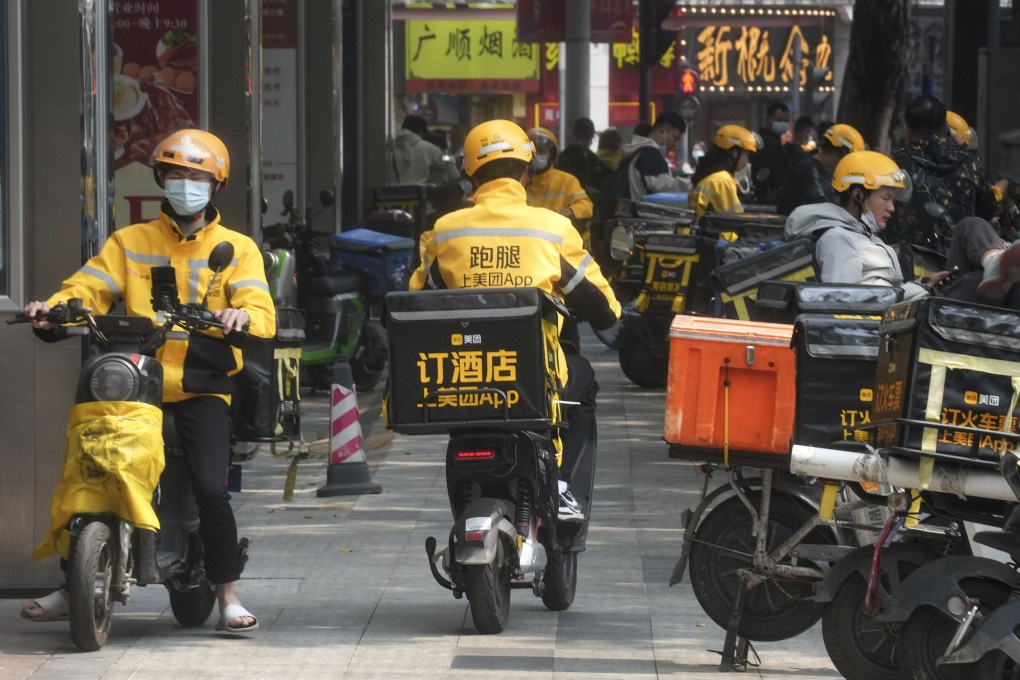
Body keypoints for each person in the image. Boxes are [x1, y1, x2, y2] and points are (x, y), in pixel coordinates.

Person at [20, 129, 274, 633]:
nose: (185, 185)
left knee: (209, 488)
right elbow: (88, 286)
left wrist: (241, 317)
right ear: (160, 179)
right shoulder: (129, 242)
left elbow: (258, 309)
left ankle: (227, 593)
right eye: (176, 175)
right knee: (91, 470)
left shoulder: (237, 249)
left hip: (202, 387)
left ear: (216, 185)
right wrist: (56, 308)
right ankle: (72, 584)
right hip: (135, 387)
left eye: (197, 177)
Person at [410, 119, 621, 521]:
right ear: (526, 172)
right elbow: (605, 309)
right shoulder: (553, 230)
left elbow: (417, 303)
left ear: (470, 175)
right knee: (584, 383)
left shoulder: (445, 232)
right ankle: (561, 487)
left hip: (461, 377)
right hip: (536, 378)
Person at [785, 149, 933, 299]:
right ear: (858, 195)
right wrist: (916, 292)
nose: (892, 207)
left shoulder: (864, 234)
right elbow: (844, 302)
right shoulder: (838, 238)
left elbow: (883, 289)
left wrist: (925, 286)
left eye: (893, 200)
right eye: (885, 198)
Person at [886, 95, 1003, 251]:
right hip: (959, 266)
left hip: (901, 264)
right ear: (947, 127)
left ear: (907, 130)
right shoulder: (972, 165)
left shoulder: (892, 165)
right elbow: (987, 213)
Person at [776, 123, 866, 215]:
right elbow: (826, 213)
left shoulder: (814, 169)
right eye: (850, 159)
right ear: (843, 152)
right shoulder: (810, 173)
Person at [688, 124, 762, 221]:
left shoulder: (707, 173)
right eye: (747, 154)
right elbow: (735, 222)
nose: (747, 160)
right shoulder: (723, 180)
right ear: (735, 153)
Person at [615, 111, 692, 203]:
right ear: (661, 132)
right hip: (645, 214)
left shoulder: (639, 152)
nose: (676, 144)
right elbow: (662, 185)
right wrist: (692, 183)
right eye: (675, 138)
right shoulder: (651, 154)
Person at [525, 126, 594, 224]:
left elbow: (586, 206)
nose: (537, 155)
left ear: (551, 153)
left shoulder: (567, 181)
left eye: (542, 151)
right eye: (533, 152)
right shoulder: (519, 181)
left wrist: (571, 211)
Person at [391, 114, 460, 185]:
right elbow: (448, 163)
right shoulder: (428, 148)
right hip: (420, 192)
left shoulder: (389, 148)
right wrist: (446, 150)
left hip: (393, 193)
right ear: (420, 131)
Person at [555, 117, 612, 199]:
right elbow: (567, 178)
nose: (589, 138)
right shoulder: (567, 156)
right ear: (577, 134)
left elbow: (606, 174)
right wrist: (586, 188)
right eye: (586, 134)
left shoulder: (592, 157)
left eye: (590, 134)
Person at [750, 100, 792, 203]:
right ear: (768, 120)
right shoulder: (770, 144)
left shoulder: (768, 141)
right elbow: (775, 177)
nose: (783, 123)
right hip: (767, 198)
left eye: (786, 121)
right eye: (778, 120)